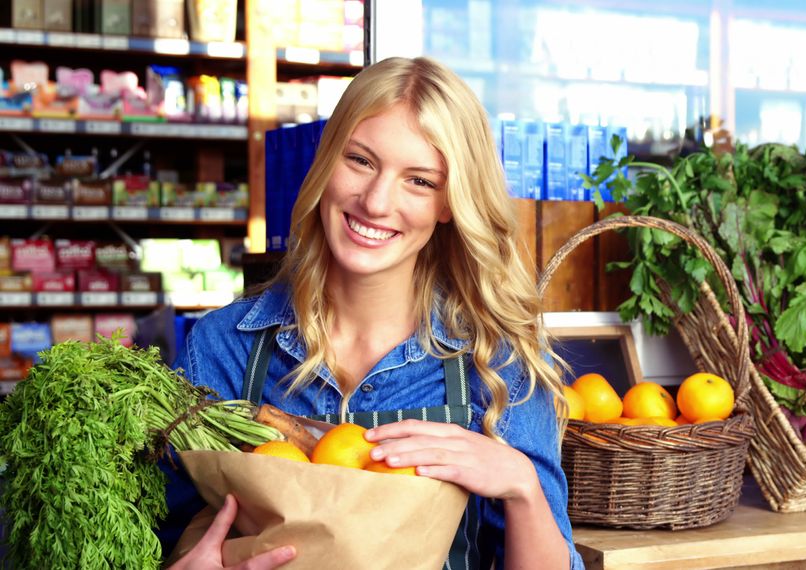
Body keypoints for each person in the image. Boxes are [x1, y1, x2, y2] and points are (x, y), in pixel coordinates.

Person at [159, 56, 585, 569]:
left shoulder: (499, 365)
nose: (377, 202)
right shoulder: (225, 347)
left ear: (449, 204)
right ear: (327, 159)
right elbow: (155, 537)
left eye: (419, 181)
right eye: (360, 160)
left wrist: (521, 486)